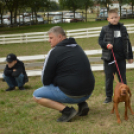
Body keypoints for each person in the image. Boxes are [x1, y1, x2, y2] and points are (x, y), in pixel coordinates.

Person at [33, 26, 95, 122]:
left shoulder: (54, 52)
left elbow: (45, 80)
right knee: (75, 77)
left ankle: (67, 111)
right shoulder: (78, 47)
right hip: (88, 92)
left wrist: (54, 81)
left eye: (51, 38)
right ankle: (82, 104)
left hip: (73, 94)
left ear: (60, 37)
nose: (49, 41)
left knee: (37, 95)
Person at [98, 9, 133, 103]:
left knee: (122, 78)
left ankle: (124, 95)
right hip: (109, 59)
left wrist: (130, 56)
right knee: (109, 78)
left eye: (115, 17)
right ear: (108, 19)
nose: (114, 19)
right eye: (112, 18)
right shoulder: (105, 29)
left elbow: (127, 43)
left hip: (121, 58)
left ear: (119, 18)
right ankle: (108, 96)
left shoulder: (123, 28)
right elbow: (100, 41)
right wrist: (106, 45)